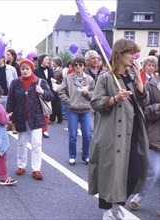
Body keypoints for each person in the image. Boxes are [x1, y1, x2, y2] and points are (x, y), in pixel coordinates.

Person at [88, 39, 150, 220]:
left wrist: (139, 80)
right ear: (119, 54)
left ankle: (118, 205)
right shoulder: (106, 77)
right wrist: (114, 99)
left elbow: (143, 102)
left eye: (134, 53)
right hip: (112, 133)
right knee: (110, 173)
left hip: (133, 133)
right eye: (130, 53)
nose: (134, 57)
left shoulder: (130, 77)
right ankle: (107, 211)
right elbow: (95, 103)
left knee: (133, 171)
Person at [7, 59, 53, 180]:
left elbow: (50, 96)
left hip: (36, 117)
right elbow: (10, 99)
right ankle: (21, 166)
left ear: (32, 69)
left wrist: (42, 91)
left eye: (27, 68)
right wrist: (9, 113)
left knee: (36, 144)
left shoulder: (40, 81)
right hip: (20, 116)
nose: (25, 71)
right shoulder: (15, 82)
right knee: (21, 143)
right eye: (23, 68)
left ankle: (36, 169)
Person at [129, 61, 159, 215]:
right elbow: (143, 109)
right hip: (156, 135)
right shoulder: (151, 84)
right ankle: (139, 196)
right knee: (153, 171)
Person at [58, 56, 94, 166]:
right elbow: (61, 92)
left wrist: (88, 94)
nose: (78, 66)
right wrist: (69, 102)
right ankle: (72, 156)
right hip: (73, 109)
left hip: (86, 109)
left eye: (80, 64)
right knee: (72, 135)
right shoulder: (68, 78)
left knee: (87, 134)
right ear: (73, 66)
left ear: (84, 66)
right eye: (76, 65)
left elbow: (95, 94)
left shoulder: (89, 79)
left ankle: (86, 155)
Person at [34, 54, 54, 138]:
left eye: (48, 59)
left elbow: (52, 80)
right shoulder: (36, 70)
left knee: (46, 111)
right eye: (46, 59)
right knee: (38, 112)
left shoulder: (50, 69)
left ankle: (45, 130)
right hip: (38, 92)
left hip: (48, 93)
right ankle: (38, 127)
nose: (48, 61)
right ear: (41, 60)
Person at [49, 56, 63, 124]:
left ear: (57, 63)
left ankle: (52, 119)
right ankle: (60, 119)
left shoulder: (59, 70)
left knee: (54, 103)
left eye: (53, 61)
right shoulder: (56, 69)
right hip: (56, 88)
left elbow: (54, 78)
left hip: (57, 88)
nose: (52, 62)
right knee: (57, 104)